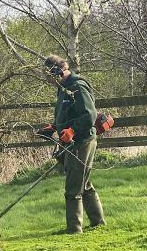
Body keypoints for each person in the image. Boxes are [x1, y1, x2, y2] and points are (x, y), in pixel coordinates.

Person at [38, 55, 106, 234]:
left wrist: (72, 131)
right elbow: (68, 113)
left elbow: (89, 116)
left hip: (82, 141)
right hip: (72, 141)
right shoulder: (63, 88)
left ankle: (74, 229)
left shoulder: (77, 86)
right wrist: (53, 127)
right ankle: (98, 222)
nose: (48, 80)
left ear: (58, 72)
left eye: (49, 76)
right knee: (83, 183)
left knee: (73, 186)